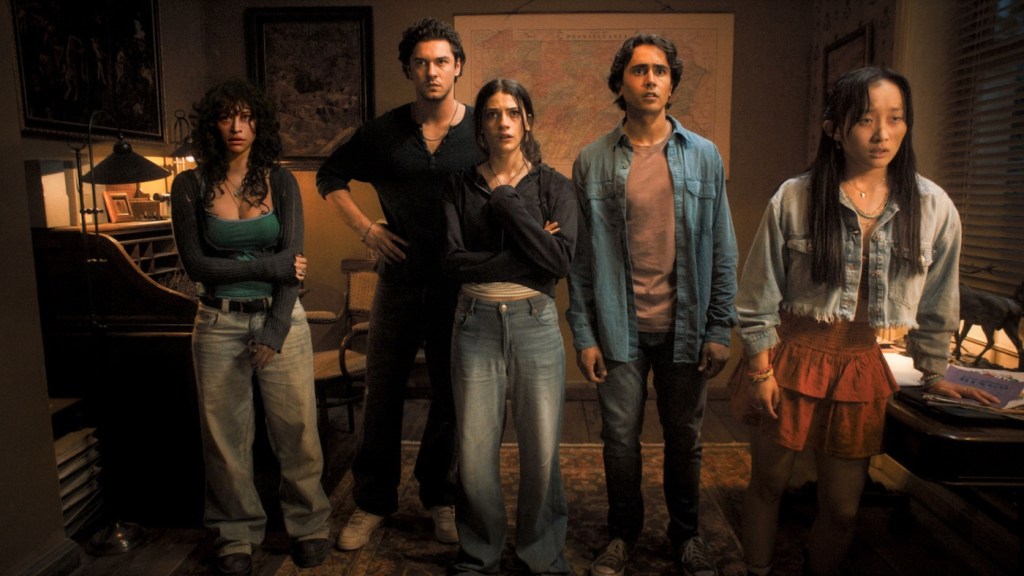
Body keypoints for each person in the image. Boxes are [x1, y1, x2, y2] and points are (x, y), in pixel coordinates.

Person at [732, 66, 997, 576]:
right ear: (834, 128)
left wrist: (936, 373)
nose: (882, 134)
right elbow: (758, 294)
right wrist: (761, 370)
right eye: (866, 119)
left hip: (859, 361)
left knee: (843, 508)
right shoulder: (796, 197)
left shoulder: (933, 206)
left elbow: (940, 299)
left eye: (895, 119)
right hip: (790, 356)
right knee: (769, 485)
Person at [566, 34, 737, 576]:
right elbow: (580, 261)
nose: (650, 79)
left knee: (685, 440)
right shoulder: (592, 161)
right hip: (619, 329)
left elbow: (722, 248)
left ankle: (687, 536)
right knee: (620, 441)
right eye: (639, 70)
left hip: (687, 328)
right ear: (620, 83)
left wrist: (720, 328)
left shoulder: (704, 156)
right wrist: (585, 334)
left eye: (660, 70)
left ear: (672, 83)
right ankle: (622, 536)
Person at [316, 17, 483, 550]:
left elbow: (518, 178)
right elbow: (329, 176)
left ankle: (440, 496)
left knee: (451, 395)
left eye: (442, 62)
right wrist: (366, 229)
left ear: (458, 67)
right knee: (382, 393)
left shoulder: (481, 131)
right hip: (399, 282)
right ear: (408, 69)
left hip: (458, 286)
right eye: (421, 62)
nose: (432, 71)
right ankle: (372, 501)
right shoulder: (384, 132)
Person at [170, 78, 332, 576]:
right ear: (212, 125)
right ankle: (235, 533)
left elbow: (294, 260)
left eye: (245, 116)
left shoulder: (281, 182)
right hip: (217, 321)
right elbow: (197, 265)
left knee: (297, 429)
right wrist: (272, 265)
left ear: (258, 123)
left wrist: (275, 330)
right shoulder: (189, 186)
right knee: (224, 438)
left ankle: (309, 525)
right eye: (226, 116)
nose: (236, 126)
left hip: (280, 320)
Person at [443, 78, 577, 575]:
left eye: (513, 112)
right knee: (475, 449)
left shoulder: (554, 186)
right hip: (474, 322)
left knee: (540, 448)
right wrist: (530, 249)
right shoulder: (458, 185)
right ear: (480, 126)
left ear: (528, 121)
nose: (503, 122)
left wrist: (505, 202)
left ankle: (540, 551)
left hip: (534, 322)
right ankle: (479, 551)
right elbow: (452, 263)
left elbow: (560, 262)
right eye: (493, 114)